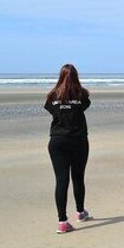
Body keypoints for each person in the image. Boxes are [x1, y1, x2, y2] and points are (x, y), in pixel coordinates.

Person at [45, 64, 92, 234]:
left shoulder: (52, 95)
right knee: (78, 177)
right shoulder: (82, 94)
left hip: (57, 141)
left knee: (61, 180)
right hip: (78, 140)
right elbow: (84, 105)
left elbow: (52, 111)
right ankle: (80, 213)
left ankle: (62, 221)